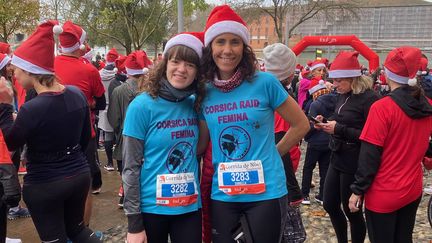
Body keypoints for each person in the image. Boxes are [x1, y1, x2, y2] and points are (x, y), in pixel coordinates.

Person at [199, 5, 309, 243]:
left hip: (266, 192)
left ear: (244, 48)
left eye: (235, 42)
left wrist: (274, 152)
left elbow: (301, 124)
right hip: (224, 194)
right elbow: (202, 143)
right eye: (220, 42)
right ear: (210, 47)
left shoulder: (265, 82)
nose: (227, 50)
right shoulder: (204, 90)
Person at [0, 20, 101, 243]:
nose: (14, 74)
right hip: (78, 175)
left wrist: (5, 108)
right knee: (78, 231)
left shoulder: (31, 108)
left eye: (17, 69)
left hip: (45, 184)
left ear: (30, 71)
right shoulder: (76, 94)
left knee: (54, 239)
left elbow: (11, 142)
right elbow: (85, 138)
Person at [122, 32, 205, 243]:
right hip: (152, 209)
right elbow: (130, 167)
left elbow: (200, 149)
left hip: (188, 207)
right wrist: (134, 224)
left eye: (190, 65)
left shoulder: (196, 103)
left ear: (197, 71)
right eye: (176, 61)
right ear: (165, 63)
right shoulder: (141, 106)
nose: (181, 70)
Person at [348, 46, 432, 243]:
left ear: (387, 73)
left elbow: (370, 154)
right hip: (412, 187)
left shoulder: (382, 108)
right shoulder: (426, 104)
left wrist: (358, 189)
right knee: (404, 238)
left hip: (384, 191)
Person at [315, 51, 380, 243]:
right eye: (333, 81)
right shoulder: (343, 94)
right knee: (329, 204)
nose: (334, 85)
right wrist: (327, 122)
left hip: (355, 160)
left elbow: (370, 136)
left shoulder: (370, 99)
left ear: (353, 78)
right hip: (338, 155)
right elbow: (342, 119)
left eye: (338, 81)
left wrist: (339, 128)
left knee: (351, 210)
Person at [54, 21, 106, 232]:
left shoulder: (50, 66)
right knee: (83, 187)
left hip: (51, 135)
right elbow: (101, 103)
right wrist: (89, 102)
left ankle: (60, 232)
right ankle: (82, 232)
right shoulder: (90, 70)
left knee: (56, 184)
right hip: (83, 135)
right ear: (80, 45)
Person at [263, 43, 307, 243]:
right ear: (290, 74)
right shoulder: (280, 97)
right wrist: (293, 191)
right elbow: (281, 143)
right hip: (278, 178)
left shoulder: (261, 90)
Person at [108, 50, 151, 208]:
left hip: (124, 140)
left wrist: (119, 131)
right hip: (148, 141)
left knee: (127, 170)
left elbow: (114, 118)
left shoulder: (119, 91)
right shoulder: (151, 91)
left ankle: (126, 196)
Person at [301, 76, 333, 205]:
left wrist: (306, 136)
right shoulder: (335, 99)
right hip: (328, 141)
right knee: (325, 169)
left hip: (315, 141)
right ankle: (322, 195)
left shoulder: (315, 104)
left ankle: (305, 195)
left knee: (308, 168)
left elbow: (310, 124)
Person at [99, 48, 119, 172]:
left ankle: (110, 163)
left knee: (108, 135)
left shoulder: (98, 73)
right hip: (117, 107)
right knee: (119, 135)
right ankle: (120, 164)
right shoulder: (118, 75)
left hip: (104, 107)